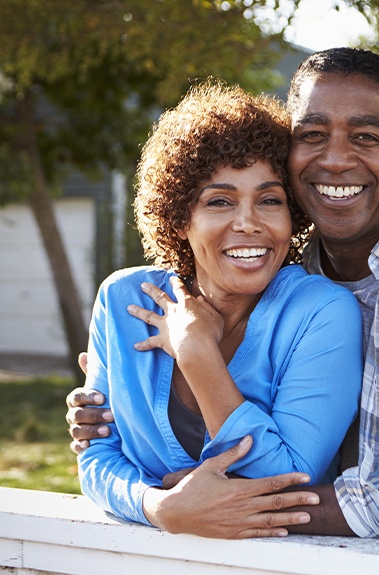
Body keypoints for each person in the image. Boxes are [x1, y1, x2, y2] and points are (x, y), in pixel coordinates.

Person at [67, 47, 379, 541]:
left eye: (364, 136)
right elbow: (101, 451)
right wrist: (159, 504)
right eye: (312, 135)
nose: (334, 159)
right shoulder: (302, 260)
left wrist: (227, 506)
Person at [74, 80, 363, 531]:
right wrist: (159, 506)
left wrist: (196, 352)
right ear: (179, 217)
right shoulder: (123, 301)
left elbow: (288, 480)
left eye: (269, 200)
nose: (248, 223)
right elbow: (96, 457)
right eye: (219, 201)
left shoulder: (321, 313)